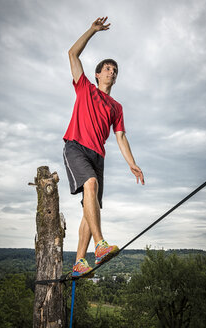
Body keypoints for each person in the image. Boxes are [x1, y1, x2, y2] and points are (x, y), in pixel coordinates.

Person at [63, 17, 144, 278]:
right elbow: (72, 53)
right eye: (107, 68)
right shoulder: (85, 87)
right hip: (76, 147)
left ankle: (78, 262)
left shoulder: (116, 107)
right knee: (90, 185)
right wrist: (92, 30)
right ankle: (99, 245)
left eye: (114, 70)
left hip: (98, 156)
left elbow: (121, 137)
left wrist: (132, 162)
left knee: (91, 209)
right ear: (98, 74)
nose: (111, 72)